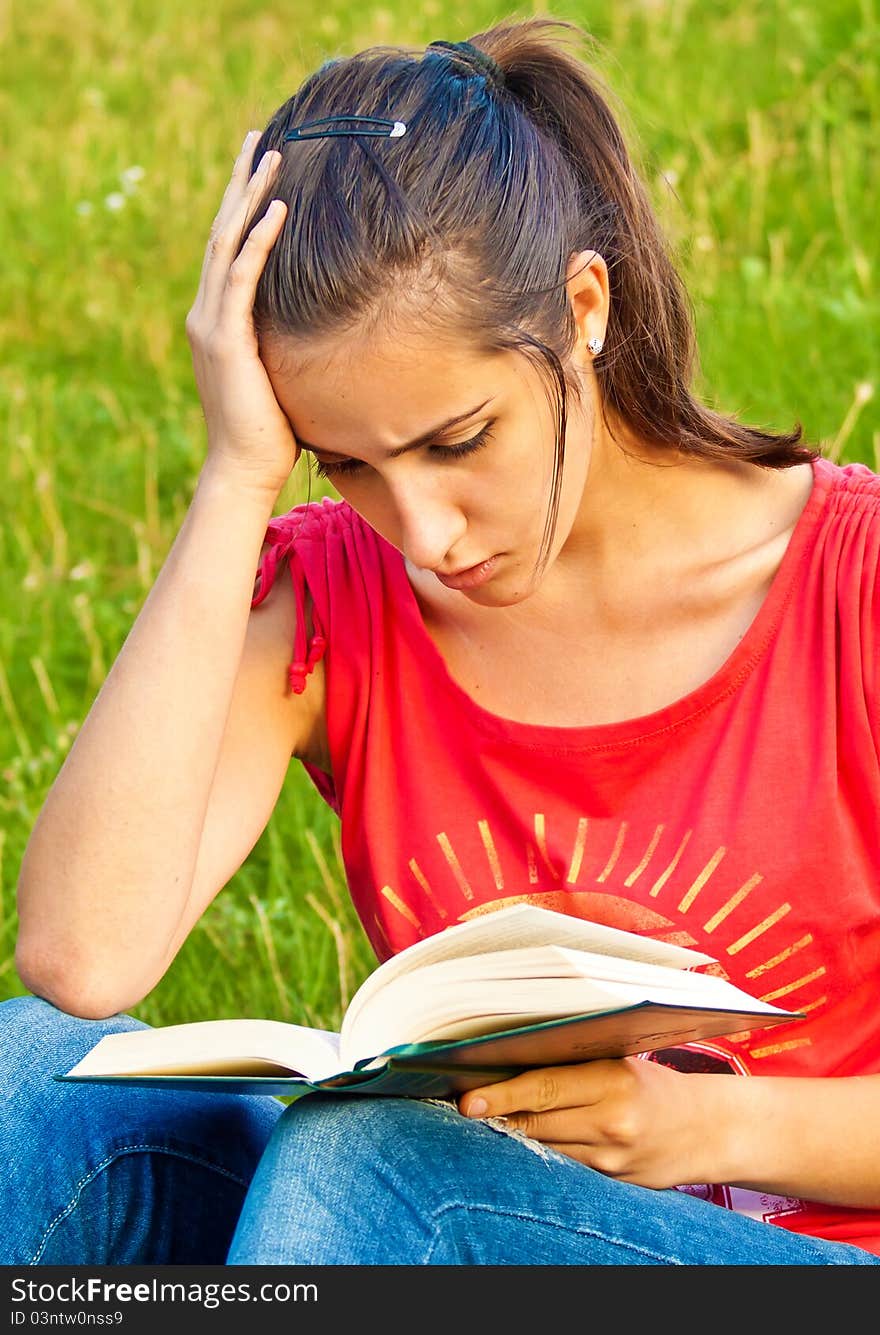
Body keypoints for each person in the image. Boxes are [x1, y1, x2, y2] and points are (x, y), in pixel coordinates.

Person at [3, 15, 880, 1267]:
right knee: (30, 1081)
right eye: (347, 460)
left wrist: (706, 1121)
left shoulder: (853, 589)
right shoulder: (341, 593)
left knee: (381, 1174)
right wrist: (237, 477)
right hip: (440, 1234)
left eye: (457, 439)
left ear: (582, 307)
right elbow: (82, 957)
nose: (420, 527)